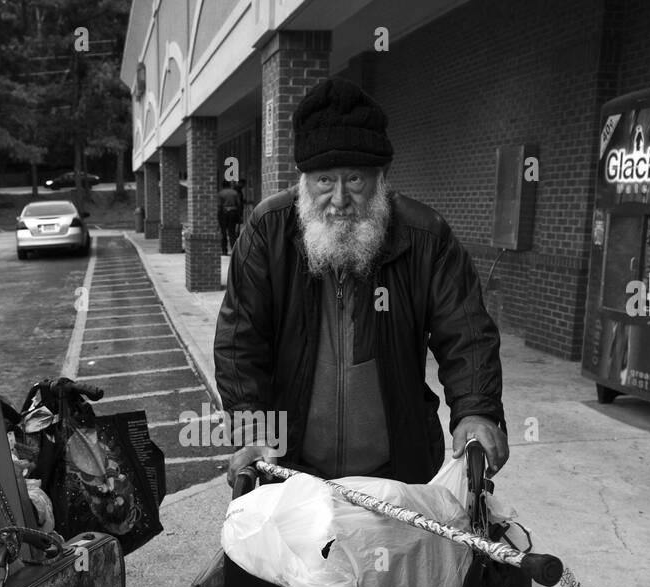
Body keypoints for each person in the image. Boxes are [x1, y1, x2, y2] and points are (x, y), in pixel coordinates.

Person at [214, 77, 508, 487]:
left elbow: (467, 333)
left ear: (380, 177)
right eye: (323, 181)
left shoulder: (425, 236)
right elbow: (240, 340)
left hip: (397, 473)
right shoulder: (268, 231)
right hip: (292, 468)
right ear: (304, 182)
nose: (338, 199)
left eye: (354, 179)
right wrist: (251, 428)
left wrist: (477, 410)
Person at [217, 178, 244, 255]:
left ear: (222, 186)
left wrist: (218, 217)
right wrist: (240, 216)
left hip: (224, 214)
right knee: (232, 232)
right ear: (229, 185)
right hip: (233, 213)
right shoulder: (235, 193)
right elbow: (239, 205)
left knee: (223, 232)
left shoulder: (220, 193)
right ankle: (234, 250)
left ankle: (224, 251)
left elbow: (219, 206)